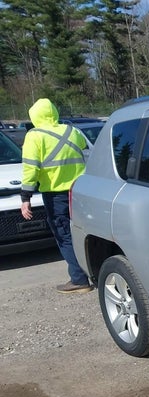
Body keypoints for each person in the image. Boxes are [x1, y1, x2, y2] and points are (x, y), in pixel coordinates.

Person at [20, 98, 91, 293]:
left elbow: (30, 168)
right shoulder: (73, 131)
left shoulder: (34, 136)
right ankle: (95, 272)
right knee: (85, 233)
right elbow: (88, 155)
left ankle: (79, 279)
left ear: (34, 116)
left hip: (56, 194)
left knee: (64, 235)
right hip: (80, 191)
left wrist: (25, 198)